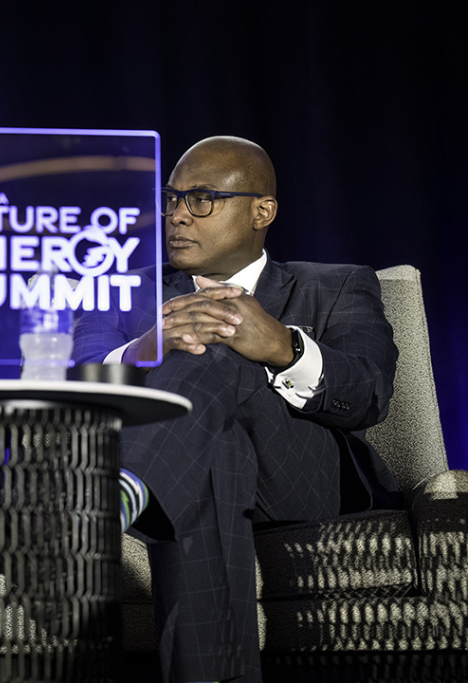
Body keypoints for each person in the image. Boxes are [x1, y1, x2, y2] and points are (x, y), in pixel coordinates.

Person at [73, 136, 401, 683]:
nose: (178, 214)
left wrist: (281, 347)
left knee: (217, 338)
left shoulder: (336, 284)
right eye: (171, 198)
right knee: (213, 449)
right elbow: (74, 388)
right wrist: (145, 349)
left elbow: (370, 392)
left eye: (201, 198)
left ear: (261, 211)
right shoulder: (122, 289)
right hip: (187, 471)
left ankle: (116, 493)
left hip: (299, 481)